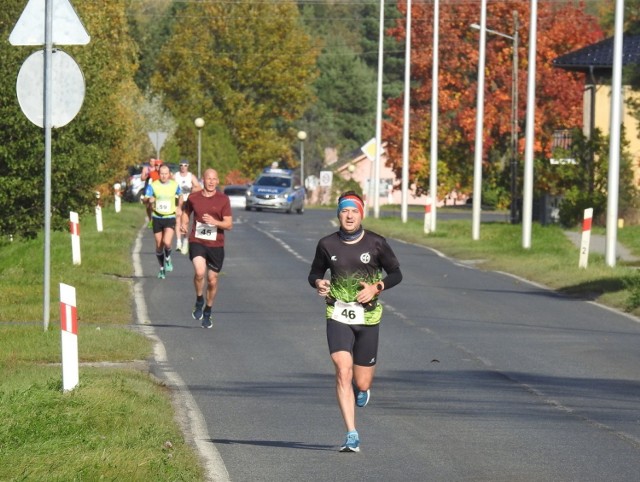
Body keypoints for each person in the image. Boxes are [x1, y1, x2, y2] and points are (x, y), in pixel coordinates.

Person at [307, 191, 402, 453]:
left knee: (361, 382)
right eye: (344, 211)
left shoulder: (376, 243)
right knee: (342, 369)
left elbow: (396, 273)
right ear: (338, 213)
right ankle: (352, 434)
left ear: (361, 214)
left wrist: (376, 287)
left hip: (368, 316)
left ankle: (363, 390)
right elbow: (315, 272)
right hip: (337, 312)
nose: (349, 216)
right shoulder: (327, 244)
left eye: (354, 211)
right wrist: (319, 282)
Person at [180, 169, 233, 328]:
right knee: (200, 272)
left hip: (216, 244)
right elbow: (186, 212)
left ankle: (208, 310)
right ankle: (198, 299)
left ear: (217, 181)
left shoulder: (223, 199)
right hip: (197, 241)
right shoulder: (194, 197)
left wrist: (214, 222)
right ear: (203, 180)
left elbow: (229, 224)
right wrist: (183, 224)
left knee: (212, 280)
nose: (211, 182)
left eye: (214, 179)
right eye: (208, 179)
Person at [144, 164, 182, 279]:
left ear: (169, 174)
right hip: (157, 217)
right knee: (159, 245)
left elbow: (180, 196)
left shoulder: (174, 185)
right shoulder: (153, 185)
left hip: (170, 216)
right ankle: (161, 268)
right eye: (162, 174)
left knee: (167, 242)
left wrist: (179, 207)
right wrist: (149, 199)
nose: (164, 176)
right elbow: (145, 198)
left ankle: (168, 258)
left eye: (166, 174)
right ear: (158, 174)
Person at [173, 160, 202, 254]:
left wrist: (190, 189)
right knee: (177, 220)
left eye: (185, 165)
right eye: (181, 165)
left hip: (187, 201)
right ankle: (178, 242)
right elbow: (170, 185)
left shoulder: (191, 176)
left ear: (188, 166)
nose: (183, 167)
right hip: (177, 201)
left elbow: (199, 187)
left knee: (185, 222)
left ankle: (185, 241)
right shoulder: (175, 176)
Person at [141, 158, 162, 227]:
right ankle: (150, 219)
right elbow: (143, 179)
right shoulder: (152, 173)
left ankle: (159, 219)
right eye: (156, 165)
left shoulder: (164, 173)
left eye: (159, 165)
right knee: (149, 205)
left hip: (162, 192)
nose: (157, 167)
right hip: (152, 191)